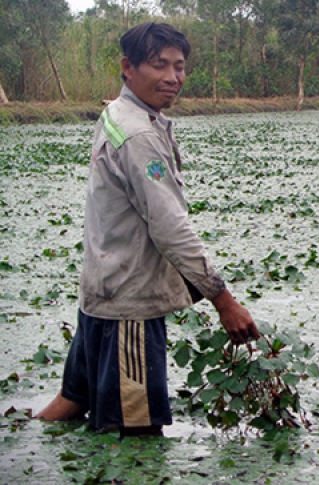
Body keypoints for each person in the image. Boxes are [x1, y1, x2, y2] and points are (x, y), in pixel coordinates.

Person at [36, 22, 259, 435]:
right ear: (128, 67)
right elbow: (170, 227)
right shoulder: (139, 134)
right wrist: (223, 300)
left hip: (99, 296)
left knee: (71, 402)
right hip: (129, 312)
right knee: (137, 441)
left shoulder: (119, 113)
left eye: (179, 67)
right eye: (160, 66)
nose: (173, 78)